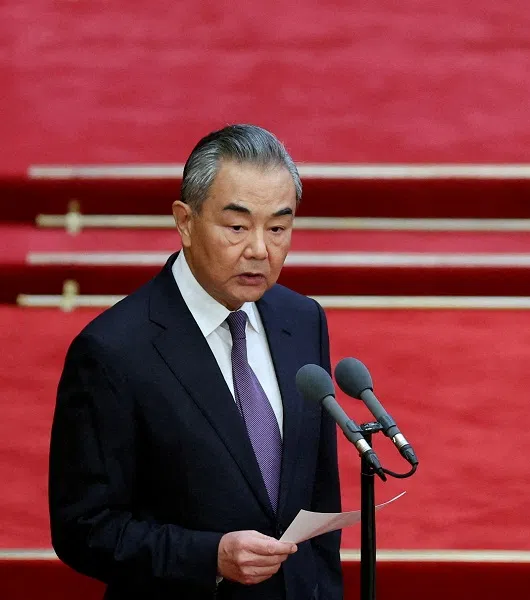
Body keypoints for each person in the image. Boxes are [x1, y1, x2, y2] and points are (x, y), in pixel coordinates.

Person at [48, 124, 342, 600]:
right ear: (185, 221)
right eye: (237, 227)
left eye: (279, 228)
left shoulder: (301, 319)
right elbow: (84, 529)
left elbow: (319, 498)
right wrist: (209, 557)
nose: (260, 250)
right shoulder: (114, 350)